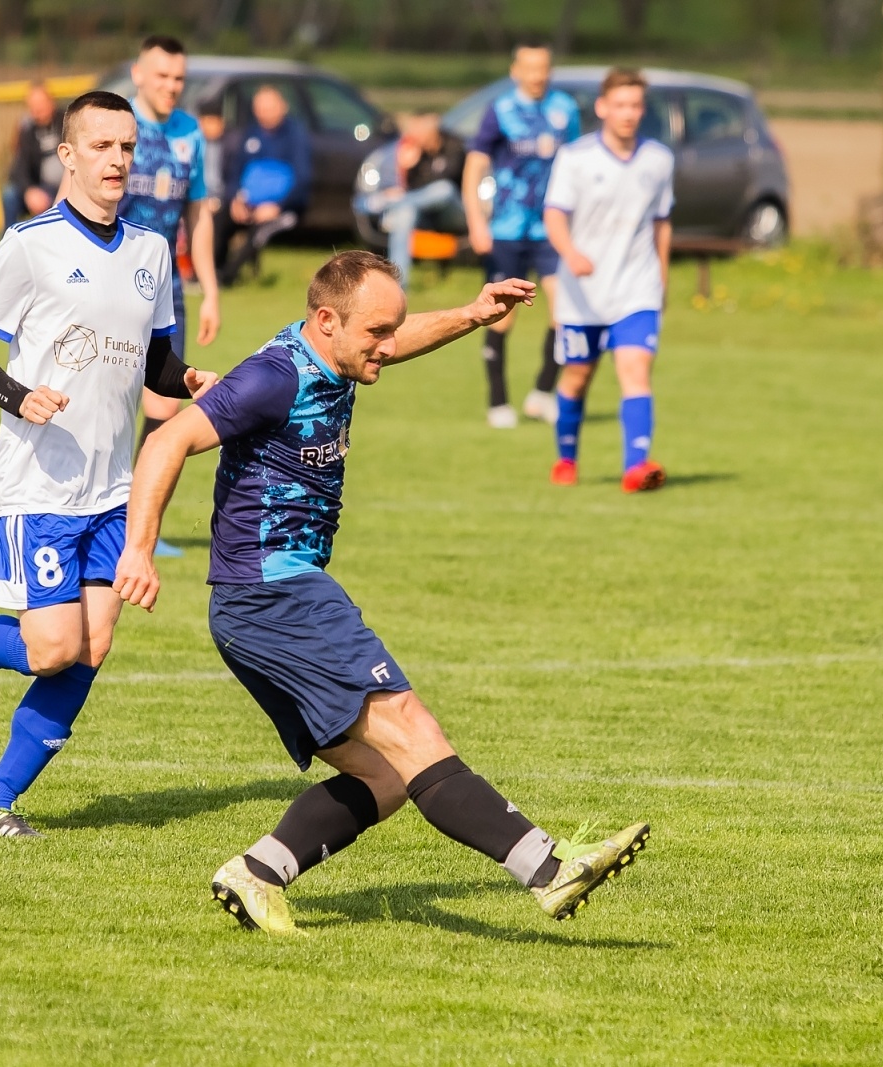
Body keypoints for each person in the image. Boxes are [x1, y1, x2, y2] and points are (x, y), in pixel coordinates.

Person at [113, 250, 650, 936]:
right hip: (276, 594)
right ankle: (550, 870)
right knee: (412, 728)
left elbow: (394, 338)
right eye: (376, 332)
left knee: (388, 775)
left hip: (256, 605)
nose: (388, 346)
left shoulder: (335, 352)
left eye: (391, 329)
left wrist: (471, 314)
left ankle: (257, 873)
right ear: (327, 321)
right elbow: (166, 442)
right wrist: (139, 549)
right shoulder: (273, 377)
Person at [0, 91, 214, 839]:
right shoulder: (30, 244)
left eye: (127, 147)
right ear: (67, 155)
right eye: (101, 146)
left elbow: (154, 361)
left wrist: (190, 380)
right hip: (40, 484)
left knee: (91, 648)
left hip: (113, 486)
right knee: (52, 647)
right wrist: (19, 395)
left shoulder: (151, 251)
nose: (118, 159)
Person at [116, 35, 223, 559]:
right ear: (138, 73)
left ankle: (138, 528)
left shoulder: (190, 134)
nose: (171, 86)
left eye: (178, 78)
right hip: (112, 282)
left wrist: (211, 291)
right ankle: (99, 516)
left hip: (166, 289)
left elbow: (198, 217)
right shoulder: (118, 125)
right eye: (161, 75)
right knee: (106, 398)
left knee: (163, 406)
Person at [543, 68, 673, 495]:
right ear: (602, 108)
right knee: (577, 377)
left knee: (635, 370)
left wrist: (662, 279)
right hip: (583, 293)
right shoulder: (576, 157)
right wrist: (571, 253)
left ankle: (636, 468)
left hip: (637, 288)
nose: (628, 113)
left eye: (635, 105)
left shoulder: (658, 159)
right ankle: (566, 458)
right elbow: (554, 215)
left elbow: (662, 223)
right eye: (620, 105)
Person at [462, 43, 579, 429]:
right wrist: (477, 222)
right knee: (502, 316)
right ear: (516, 71)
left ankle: (543, 394)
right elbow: (475, 166)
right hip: (507, 230)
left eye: (543, 68)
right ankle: (498, 402)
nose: (537, 75)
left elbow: (577, 166)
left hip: (551, 228)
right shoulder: (501, 110)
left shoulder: (565, 109)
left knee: (564, 311)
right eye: (530, 68)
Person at [356, 112, 465, 290]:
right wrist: (408, 168)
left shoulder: (454, 145)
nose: (415, 136)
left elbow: (449, 176)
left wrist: (396, 198)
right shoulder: (417, 153)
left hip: (454, 212)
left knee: (443, 189)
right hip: (424, 212)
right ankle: (399, 283)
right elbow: (414, 188)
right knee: (404, 214)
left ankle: (384, 203)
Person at [217, 85, 311, 287]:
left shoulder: (296, 136)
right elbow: (235, 172)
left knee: (258, 233)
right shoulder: (251, 134)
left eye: (269, 109)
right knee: (219, 219)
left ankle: (228, 278)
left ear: (283, 107)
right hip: (248, 203)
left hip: (281, 209)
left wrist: (277, 206)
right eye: (259, 109)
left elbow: (303, 180)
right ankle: (214, 270)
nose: (264, 114)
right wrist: (236, 199)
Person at [2, 82, 64, 230]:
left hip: (66, 185)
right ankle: (7, 240)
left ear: (51, 101)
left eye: (41, 103)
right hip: (40, 186)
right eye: (33, 105)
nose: (38, 109)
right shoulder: (27, 129)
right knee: (9, 195)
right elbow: (19, 167)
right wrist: (29, 191)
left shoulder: (67, 121)